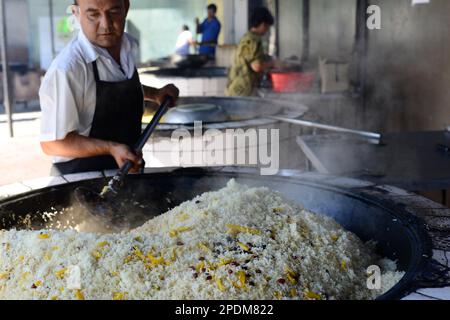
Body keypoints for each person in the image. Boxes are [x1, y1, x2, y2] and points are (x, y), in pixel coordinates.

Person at [39, 0, 179, 176]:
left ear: (126, 8)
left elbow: (113, 91)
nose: (106, 25)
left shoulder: (126, 46)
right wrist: (111, 148)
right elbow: (52, 143)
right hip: (80, 182)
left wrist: (156, 94)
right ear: (76, 13)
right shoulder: (68, 68)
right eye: (93, 14)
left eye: (113, 12)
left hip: (126, 173)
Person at [225, 7, 276, 97]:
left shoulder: (247, 37)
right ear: (263, 24)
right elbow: (257, 66)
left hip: (236, 87)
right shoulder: (254, 40)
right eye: (267, 27)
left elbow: (254, 58)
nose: (267, 30)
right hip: (243, 90)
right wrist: (273, 63)